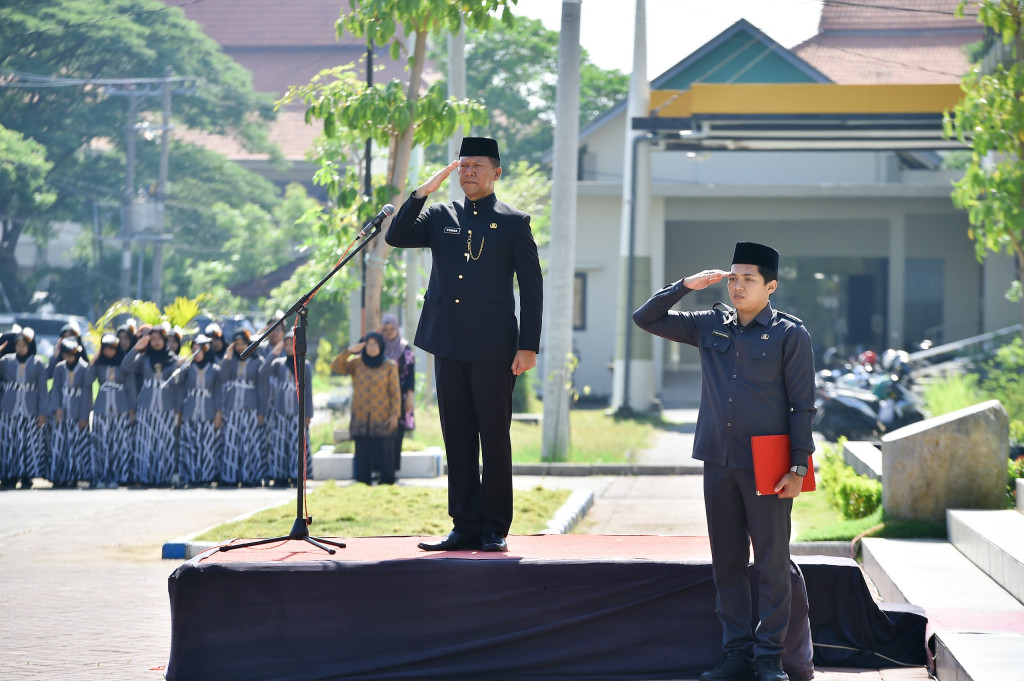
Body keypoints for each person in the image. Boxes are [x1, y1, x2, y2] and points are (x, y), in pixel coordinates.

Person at [632, 242, 816, 681]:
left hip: (769, 465)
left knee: (772, 564)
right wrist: (685, 285)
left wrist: (799, 467)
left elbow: (802, 407)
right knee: (727, 562)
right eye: (733, 278)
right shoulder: (709, 323)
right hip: (718, 459)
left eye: (748, 279)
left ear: (770, 286)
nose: (737, 286)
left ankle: (770, 658)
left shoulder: (791, 334)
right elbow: (646, 318)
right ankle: (737, 654)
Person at [386, 136, 543, 553]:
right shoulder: (440, 214)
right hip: (448, 342)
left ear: (496, 172)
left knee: (493, 437)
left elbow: (532, 287)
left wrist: (528, 346)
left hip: (494, 347)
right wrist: (422, 192)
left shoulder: (513, 222)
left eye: (477, 166)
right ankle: (463, 524)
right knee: (456, 436)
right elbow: (397, 237)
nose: (468, 172)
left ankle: (494, 527)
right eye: (463, 165)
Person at [331, 332, 400, 485]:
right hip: (361, 417)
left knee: (385, 454)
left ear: (381, 346)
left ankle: (387, 484)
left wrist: (395, 415)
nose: (372, 348)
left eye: (375, 344)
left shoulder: (389, 365)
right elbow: (336, 366)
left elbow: (395, 393)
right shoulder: (357, 363)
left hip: (382, 417)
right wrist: (350, 351)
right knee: (362, 454)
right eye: (368, 344)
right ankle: (363, 483)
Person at [122, 323, 182, 486]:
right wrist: (137, 347)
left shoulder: (174, 360)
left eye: (159, 339)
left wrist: (177, 409)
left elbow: (178, 387)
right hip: (146, 405)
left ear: (165, 340)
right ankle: (144, 477)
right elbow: (125, 367)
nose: (156, 342)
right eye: (152, 339)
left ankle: (163, 477)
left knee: (164, 442)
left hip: (166, 407)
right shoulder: (143, 358)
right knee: (145, 442)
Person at [260, 328, 313, 486]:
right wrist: (274, 353)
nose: (290, 346)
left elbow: (308, 391)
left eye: (293, 343)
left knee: (296, 445)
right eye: (287, 343)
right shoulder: (278, 364)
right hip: (280, 411)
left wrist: (308, 414)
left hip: (298, 411)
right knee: (279, 444)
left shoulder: (305, 365)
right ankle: (279, 475)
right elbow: (262, 372)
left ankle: (296, 476)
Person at [0, 328, 48, 489]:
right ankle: (9, 475)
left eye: (24, 345)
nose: (20, 348)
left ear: (30, 346)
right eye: (18, 345)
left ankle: (27, 476)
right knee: (9, 441)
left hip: (30, 410)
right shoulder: (6, 360)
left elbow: (43, 389)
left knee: (29, 443)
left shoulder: (38, 363)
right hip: (9, 410)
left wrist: (42, 412)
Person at [87, 333, 135, 488]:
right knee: (101, 442)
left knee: (119, 443)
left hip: (121, 407)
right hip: (101, 407)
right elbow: (88, 380)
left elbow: (130, 388)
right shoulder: (99, 365)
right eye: (106, 348)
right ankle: (101, 476)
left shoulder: (123, 363)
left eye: (112, 348)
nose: (109, 351)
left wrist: (132, 410)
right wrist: (94, 360)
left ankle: (118, 476)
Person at [217, 329, 264, 486]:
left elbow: (261, 388)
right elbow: (223, 377)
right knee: (231, 442)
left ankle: (250, 477)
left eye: (243, 344)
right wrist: (228, 356)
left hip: (250, 407)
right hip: (232, 408)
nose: (239, 347)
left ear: (249, 343)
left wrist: (261, 411)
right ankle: (229, 477)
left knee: (249, 442)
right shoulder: (232, 361)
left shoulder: (258, 361)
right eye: (236, 344)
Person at [48, 336, 93, 488]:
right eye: (67, 354)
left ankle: (75, 476)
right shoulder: (60, 368)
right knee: (61, 444)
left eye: (72, 354)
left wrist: (84, 416)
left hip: (77, 410)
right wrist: (56, 408)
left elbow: (87, 394)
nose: (69, 357)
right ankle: (59, 475)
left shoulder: (85, 368)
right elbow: (55, 389)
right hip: (62, 412)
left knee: (77, 447)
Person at [179, 334, 222, 487]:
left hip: (208, 411)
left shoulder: (215, 370)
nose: (197, 353)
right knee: (190, 444)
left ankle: (206, 476)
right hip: (190, 410)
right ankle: (190, 476)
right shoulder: (188, 368)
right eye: (194, 350)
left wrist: (218, 413)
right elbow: (177, 381)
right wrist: (186, 359)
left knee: (207, 445)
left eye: (200, 350)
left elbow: (218, 392)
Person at [379, 313, 415, 474]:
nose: (388, 332)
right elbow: (362, 346)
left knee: (396, 432)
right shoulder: (378, 346)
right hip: (380, 397)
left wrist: (410, 399)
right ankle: (380, 468)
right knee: (380, 430)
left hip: (400, 396)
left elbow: (410, 377)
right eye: (385, 329)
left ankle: (392, 469)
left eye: (391, 329)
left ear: (397, 328)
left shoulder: (405, 347)